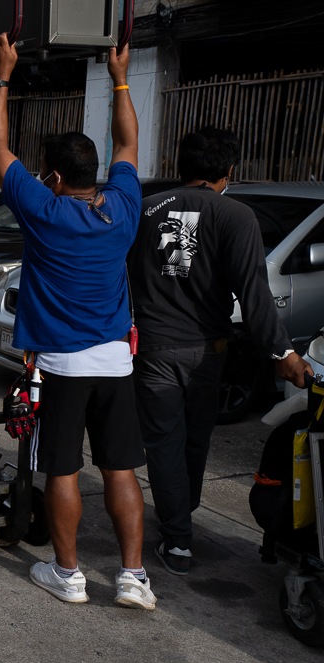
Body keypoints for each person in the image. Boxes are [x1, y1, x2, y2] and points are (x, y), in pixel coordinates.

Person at [0, 35, 155, 609]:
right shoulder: (122, 207)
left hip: (61, 366)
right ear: (94, 173)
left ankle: (68, 574)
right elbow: (129, 141)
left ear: (54, 177)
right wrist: (120, 77)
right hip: (116, 362)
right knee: (120, 470)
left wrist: (1, 76)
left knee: (61, 470)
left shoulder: (45, 210)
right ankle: (133, 578)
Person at [128, 127, 314, 576]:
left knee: (165, 443)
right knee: (193, 439)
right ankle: (179, 528)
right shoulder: (236, 215)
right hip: (207, 350)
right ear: (229, 170)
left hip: (153, 348)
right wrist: (282, 353)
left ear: (181, 164)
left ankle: (177, 527)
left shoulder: (146, 209)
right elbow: (253, 293)